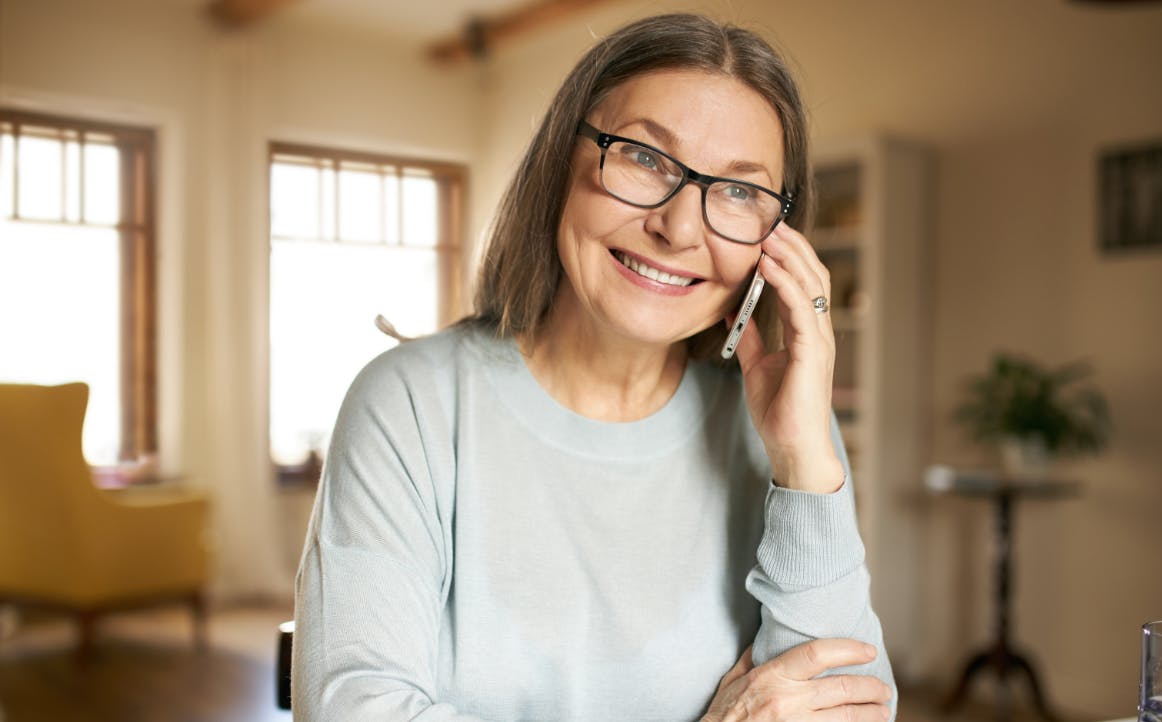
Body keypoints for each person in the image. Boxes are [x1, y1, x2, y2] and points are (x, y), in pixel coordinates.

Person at [293, 12, 896, 721]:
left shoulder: (790, 431)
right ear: (561, 162)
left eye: (739, 191)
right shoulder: (413, 404)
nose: (677, 228)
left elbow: (846, 708)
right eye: (645, 157)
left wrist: (803, 469)